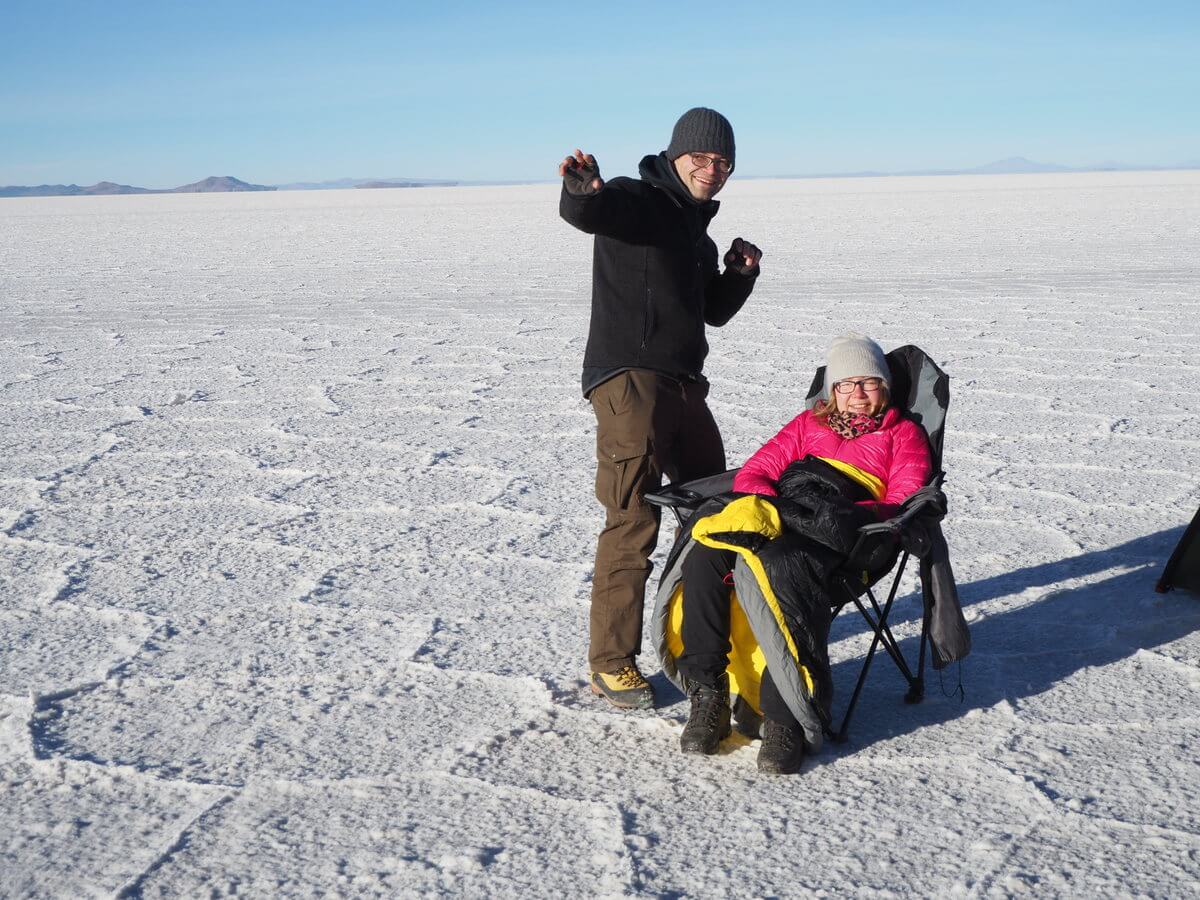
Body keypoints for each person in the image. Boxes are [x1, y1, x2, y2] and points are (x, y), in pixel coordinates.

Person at [558, 108, 763, 710]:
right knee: (633, 517)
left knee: (715, 507)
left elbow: (712, 313)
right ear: (675, 156)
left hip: (682, 386)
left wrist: (737, 274)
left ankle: (701, 639)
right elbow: (589, 212)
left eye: (723, 161)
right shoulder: (636, 200)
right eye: (700, 157)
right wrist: (580, 188)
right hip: (631, 382)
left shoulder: (695, 234)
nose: (712, 169)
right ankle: (611, 662)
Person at [674, 333, 932, 774]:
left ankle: (784, 716)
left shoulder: (903, 434)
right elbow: (755, 472)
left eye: (868, 384)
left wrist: (835, 512)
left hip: (851, 540)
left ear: (884, 388)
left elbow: (904, 500)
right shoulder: (806, 425)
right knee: (706, 554)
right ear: (832, 390)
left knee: (781, 568)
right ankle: (709, 696)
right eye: (846, 384)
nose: (856, 394)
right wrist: (772, 507)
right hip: (783, 519)